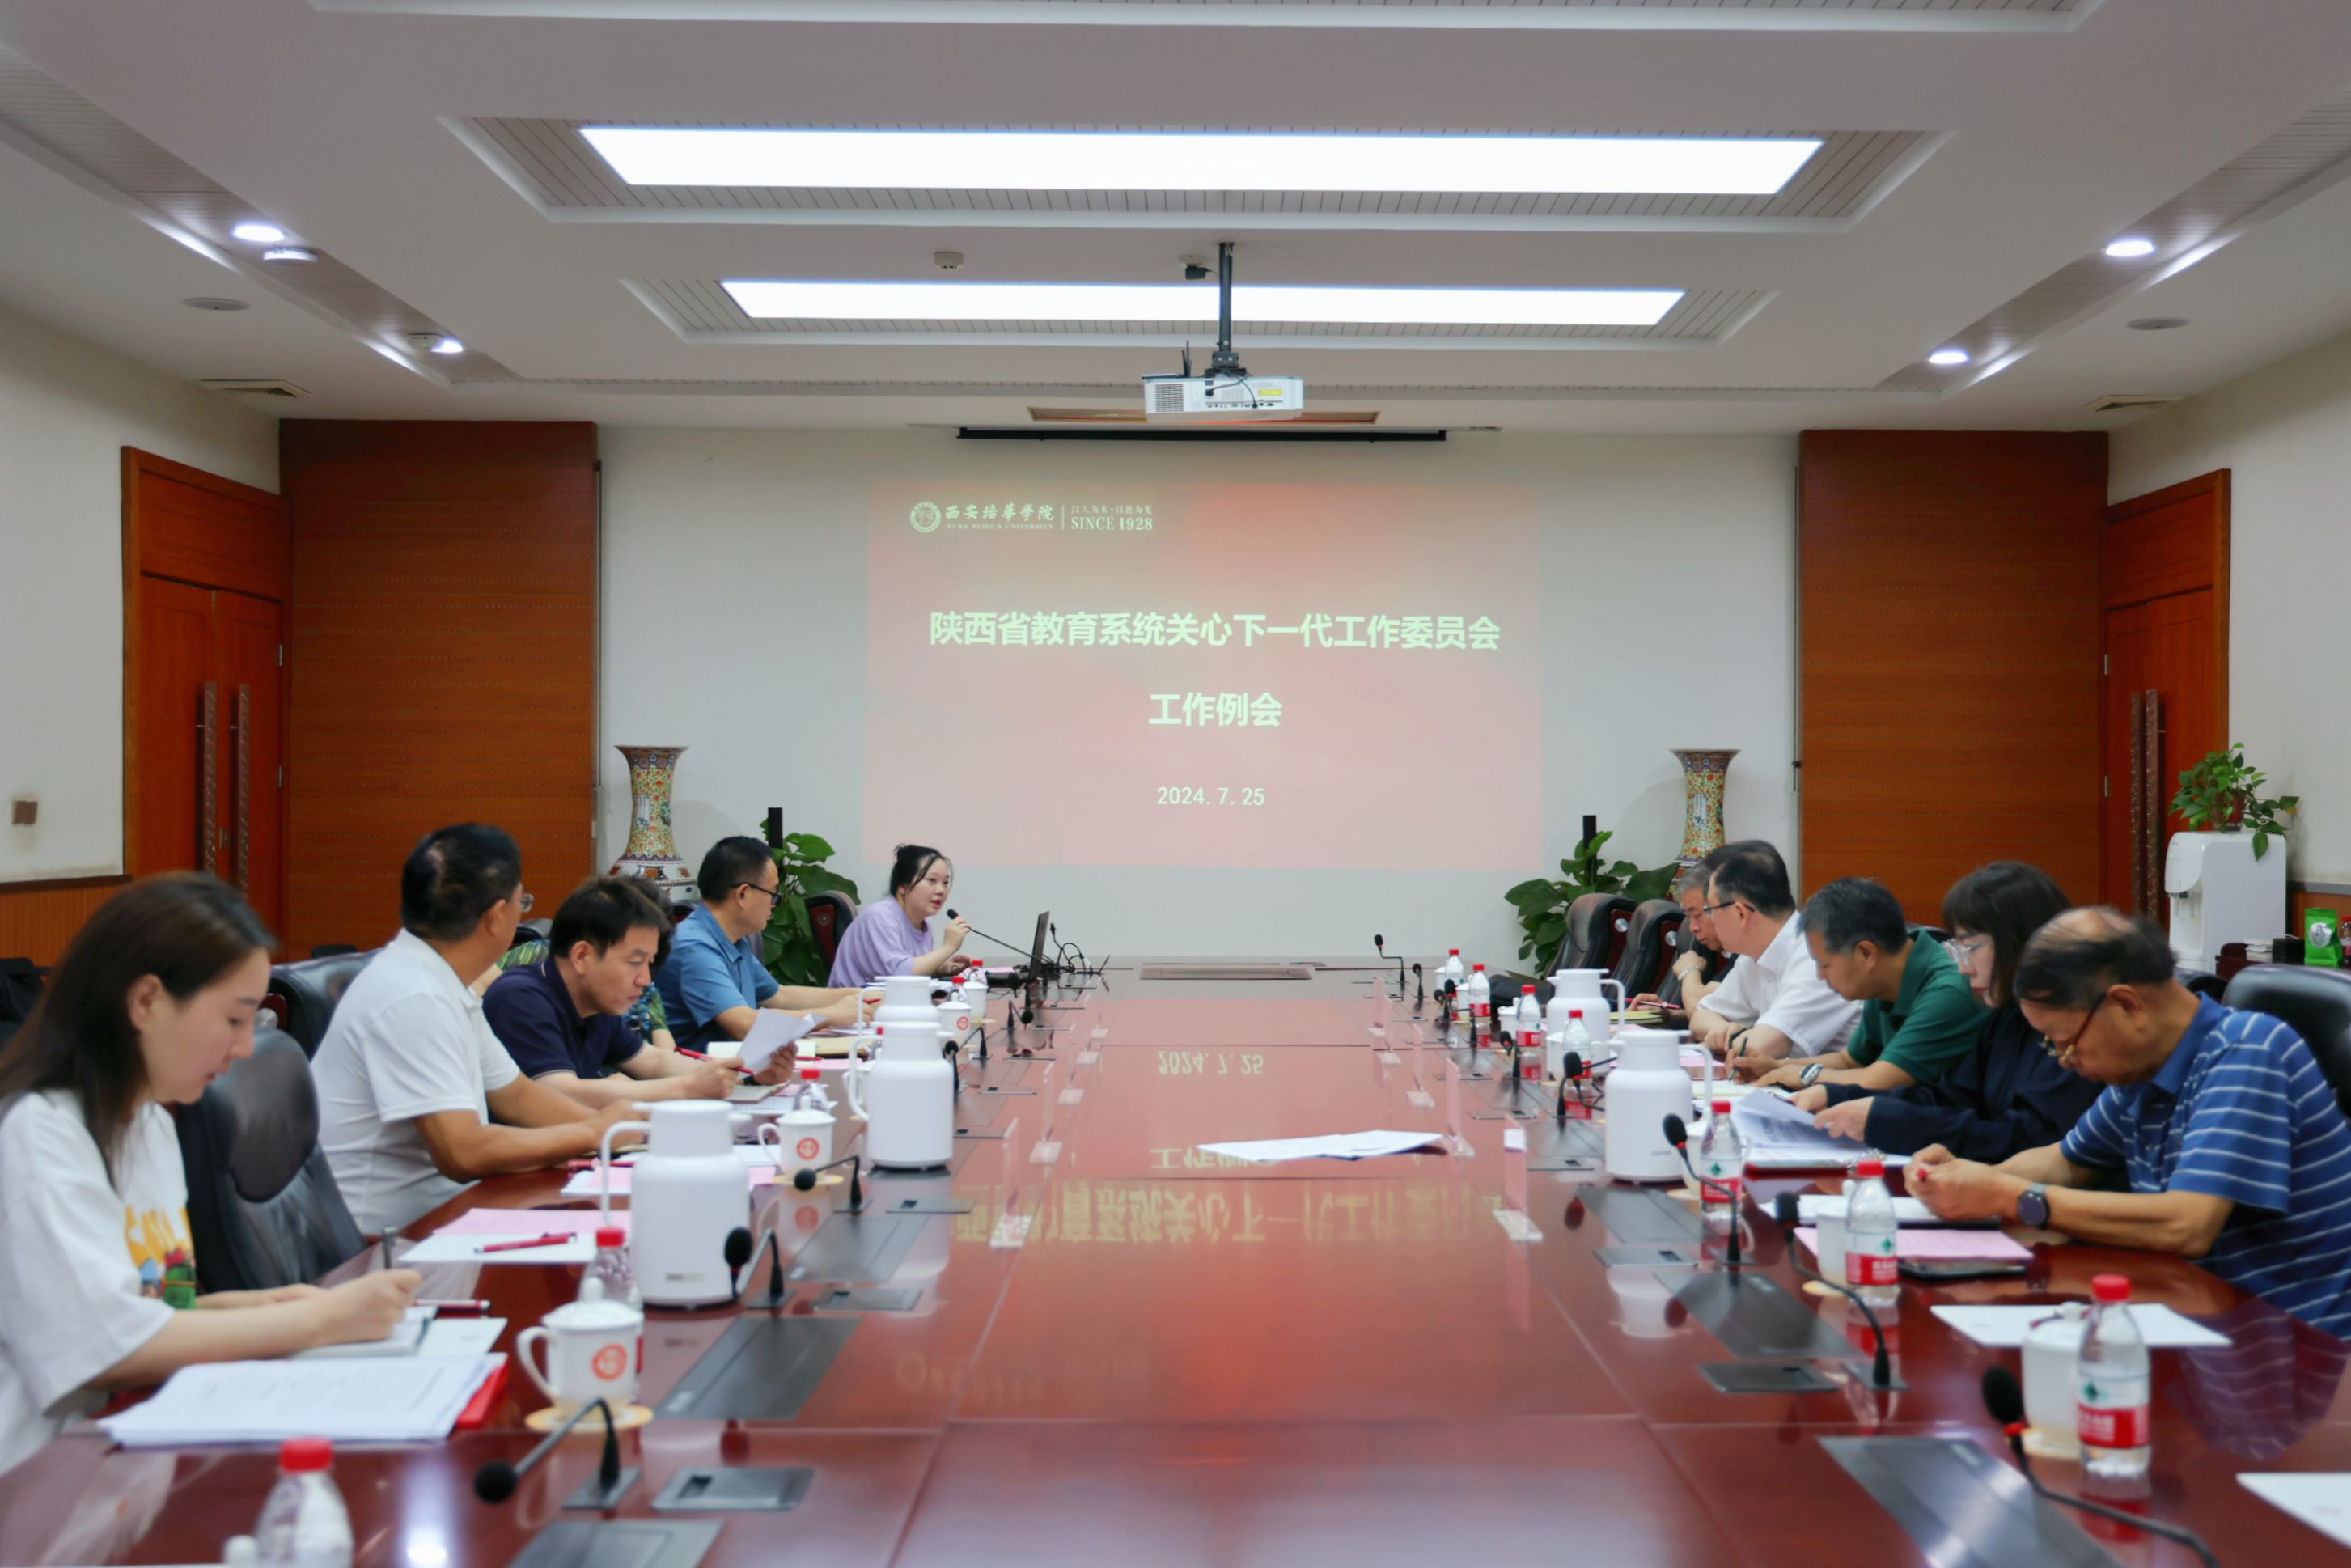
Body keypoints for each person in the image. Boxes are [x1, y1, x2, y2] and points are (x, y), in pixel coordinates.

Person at [0, 875, 421, 1478]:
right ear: (147, 1001)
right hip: (41, 1482)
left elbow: (159, 1304)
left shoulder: (149, 1121)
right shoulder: (40, 1132)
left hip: (129, 1455)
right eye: (234, 1018)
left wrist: (263, 1303)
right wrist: (319, 1321)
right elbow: (107, 1348)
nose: (246, 1048)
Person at [1909, 909, 2351, 1338]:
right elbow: (2067, 1162)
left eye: (2067, 1043)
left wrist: (2012, 1197)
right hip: (2195, 1316)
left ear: (2126, 1005)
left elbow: (2186, 1224)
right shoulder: (2142, 1070)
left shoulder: (2248, 1051)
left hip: (2292, 1342)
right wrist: (1965, 1183)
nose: (2065, 1062)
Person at [314, 824, 649, 1236]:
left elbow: (517, 1096)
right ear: (495, 917)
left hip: (448, 1216)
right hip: (389, 1245)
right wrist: (591, 1132)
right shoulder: (413, 995)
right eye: (523, 902)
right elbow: (463, 1152)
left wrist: (616, 1136)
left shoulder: (441, 982)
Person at [1782, 862, 2103, 1160]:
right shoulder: (2005, 1016)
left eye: (1971, 947)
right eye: (1959, 949)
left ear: (2020, 942)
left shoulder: (2076, 1029)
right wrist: (1837, 1096)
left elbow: (2026, 1139)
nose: (1963, 968)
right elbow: (1948, 1097)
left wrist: (1886, 1118)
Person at [483, 876, 786, 1109]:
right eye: (634, 962)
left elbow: (655, 1062)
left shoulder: (595, 1002)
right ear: (582, 956)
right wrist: (687, 1088)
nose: (645, 980)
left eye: (649, 963)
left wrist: (748, 1074)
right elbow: (561, 1091)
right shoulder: (521, 997)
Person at [1745, 877, 1981, 1091]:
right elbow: (1849, 1061)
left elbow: (1876, 1080)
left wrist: (1802, 1075)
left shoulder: (1948, 991)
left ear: (1866, 953)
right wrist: (1776, 1067)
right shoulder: (1884, 982)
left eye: (1825, 965)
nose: (1820, 976)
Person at [652, 837, 864, 1053]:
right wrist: (829, 1015)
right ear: (743, 894)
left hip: (739, 1063)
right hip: (700, 1069)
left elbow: (779, 996)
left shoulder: (733, 938)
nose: (774, 904)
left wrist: (861, 996)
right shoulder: (695, 947)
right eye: (773, 894)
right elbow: (743, 1025)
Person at [1687, 840, 1858, 1063]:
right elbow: (1700, 1017)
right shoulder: (1752, 957)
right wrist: (1724, 1030)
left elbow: (1761, 1047)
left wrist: (1734, 1037)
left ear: (1741, 913)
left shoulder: (1816, 956)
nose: (1710, 919)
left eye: (1710, 909)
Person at [828, 844, 973, 988]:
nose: (941, 890)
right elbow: (899, 976)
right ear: (903, 886)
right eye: (932, 881)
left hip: (889, 1000)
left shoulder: (924, 925)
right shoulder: (879, 917)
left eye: (945, 883)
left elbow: (910, 970)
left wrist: (939, 970)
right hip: (853, 1001)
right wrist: (948, 947)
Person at [1629, 857, 1731, 1017]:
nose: (1692, 928)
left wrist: (1689, 971)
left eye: (1697, 916)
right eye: (1689, 918)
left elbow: (1699, 1011)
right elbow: (1714, 1015)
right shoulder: (1741, 957)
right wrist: (1668, 1016)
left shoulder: (1753, 954)